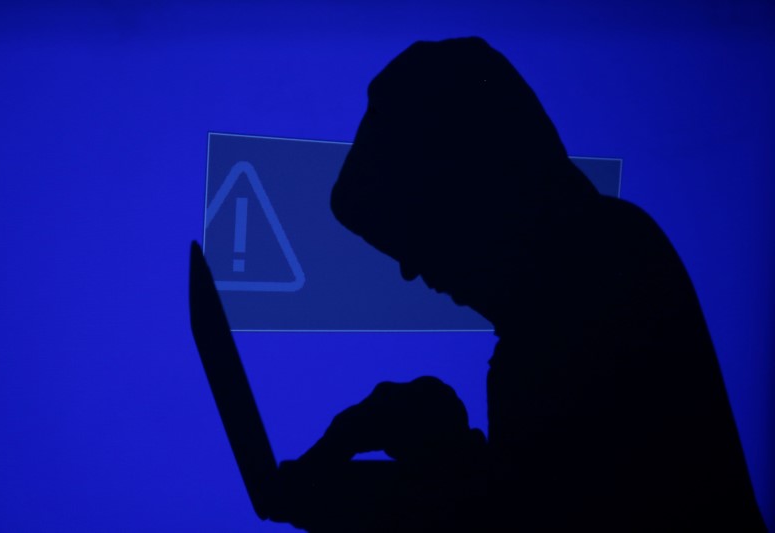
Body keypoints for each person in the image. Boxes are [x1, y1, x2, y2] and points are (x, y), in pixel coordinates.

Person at [278, 37, 766, 531]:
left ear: (471, 192)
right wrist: (442, 456)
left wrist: (395, 491)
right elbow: (545, 492)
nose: (409, 267)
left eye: (416, 232)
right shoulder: (605, 254)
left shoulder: (580, 296)